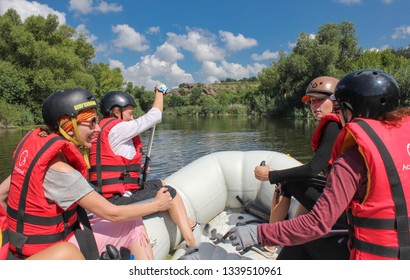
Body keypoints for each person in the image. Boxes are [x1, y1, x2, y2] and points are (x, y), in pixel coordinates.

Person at [230, 69, 410, 260]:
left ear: (349, 109)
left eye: (339, 108)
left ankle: (270, 246)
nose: (314, 106)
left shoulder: (352, 158)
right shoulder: (402, 138)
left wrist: (258, 233)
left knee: (303, 238)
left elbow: (318, 223)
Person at [5, 88, 173, 260]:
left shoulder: (37, 157)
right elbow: (113, 214)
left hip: (22, 247)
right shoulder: (62, 170)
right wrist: (158, 205)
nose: (98, 128)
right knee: (132, 223)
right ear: (68, 125)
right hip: (49, 251)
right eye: (92, 122)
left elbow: (3, 193)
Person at [88, 85, 199, 258]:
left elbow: (115, 162)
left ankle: (188, 222)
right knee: (169, 192)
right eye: (130, 113)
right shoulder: (119, 128)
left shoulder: (102, 130)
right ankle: (191, 241)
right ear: (116, 112)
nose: (132, 118)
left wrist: (137, 168)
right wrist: (159, 93)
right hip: (115, 201)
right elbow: (154, 116)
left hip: (106, 195)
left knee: (160, 182)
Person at [254, 76, 348, 259]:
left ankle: (270, 244)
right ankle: (296, 231)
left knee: (286, 182)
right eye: (312, 101)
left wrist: (272, 175)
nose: (314, 105)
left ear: (336, 101)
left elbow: (314, 168)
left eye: (320, 99)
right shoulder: (340, 123)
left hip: (341, 205)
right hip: (340, 195)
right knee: (297, 180)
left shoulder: (333, 126)